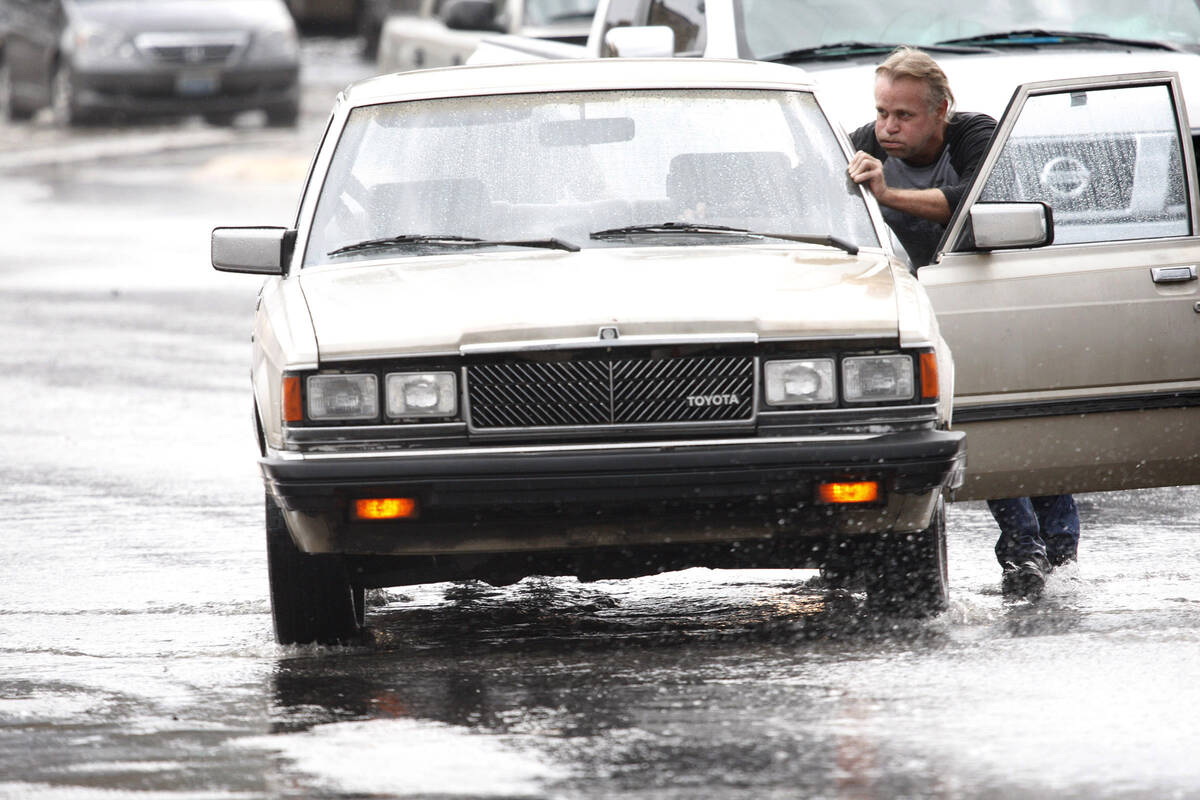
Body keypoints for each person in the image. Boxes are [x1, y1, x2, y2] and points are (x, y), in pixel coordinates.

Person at [846, 46, 1079, 599]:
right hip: (918, 304)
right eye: (882, 112)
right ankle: (1023, 549)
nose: (888, 127)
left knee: (1020, 418)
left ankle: (1063, 552)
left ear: (941, 110)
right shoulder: (863, 144)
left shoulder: (976, 134)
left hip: (992, 294)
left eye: (903, 115)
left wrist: (886, 194)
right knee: (972, 419)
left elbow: (969, 201)